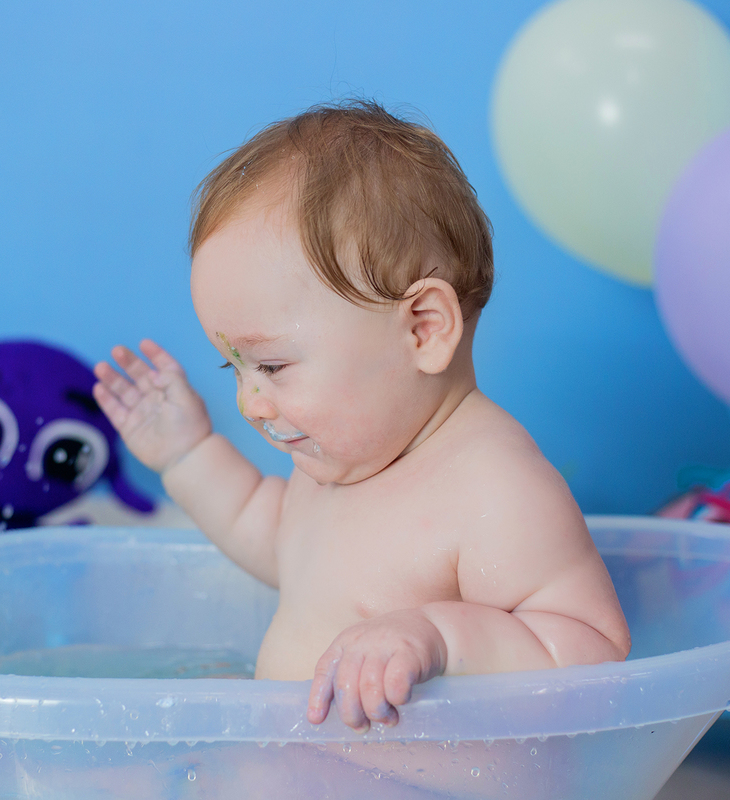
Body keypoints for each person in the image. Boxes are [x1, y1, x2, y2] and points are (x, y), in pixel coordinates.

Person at [93, 100, 630, 735]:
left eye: (272, 367)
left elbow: (589, 653)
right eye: (230, 369)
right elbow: (269, 534)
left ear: (423, 329)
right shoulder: (339, 466)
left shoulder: (495, 488)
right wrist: (187, 455)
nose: (247, 403)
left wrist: (439, 637)